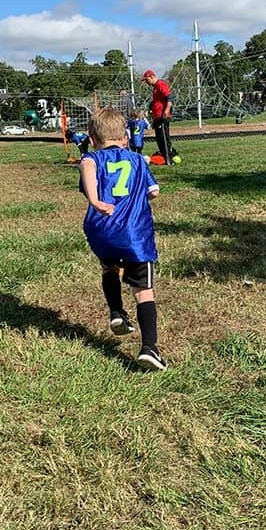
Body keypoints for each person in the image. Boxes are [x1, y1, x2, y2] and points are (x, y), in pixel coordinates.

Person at [78, 108, 166, 371]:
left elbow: (88, 166)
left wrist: (95, 201)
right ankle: (150, 348)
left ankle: (117, 312)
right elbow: (154, 192)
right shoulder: (138, 161)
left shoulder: (92, 159)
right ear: (126, 137)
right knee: (143, 291)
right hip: (134, 234)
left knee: (110, 268)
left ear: (93, 138)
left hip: (101, 231)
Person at [141, 69, 177, 166]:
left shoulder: (161, 84)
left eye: (147, 80)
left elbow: (170, 97)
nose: (146, 82)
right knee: (159, 138)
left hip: (163, 116)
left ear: (152, 76)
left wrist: (167, 110)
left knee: (164, 137)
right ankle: (163, 156)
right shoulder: (155, 88)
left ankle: (168, 158)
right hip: (157, 117)